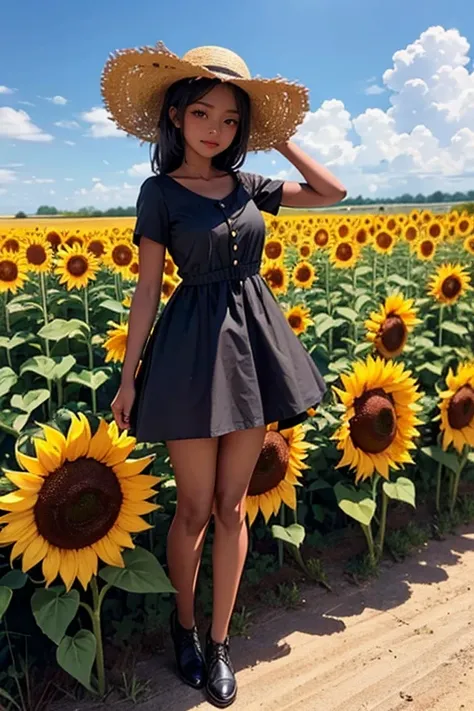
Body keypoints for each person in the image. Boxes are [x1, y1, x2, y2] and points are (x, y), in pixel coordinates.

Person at [102, 41, 346, 708]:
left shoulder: (248, 186)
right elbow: (147, 289)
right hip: (187, 355)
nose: (217, 128)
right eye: (204, 112)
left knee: (234, 507)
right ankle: (181, 624)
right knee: (193, 507)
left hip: (254, 353)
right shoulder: (159, 193)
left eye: (233, 120)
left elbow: (333, 192)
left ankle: (219, 643)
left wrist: (284, 140)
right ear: (176, 115)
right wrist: (129, 377)